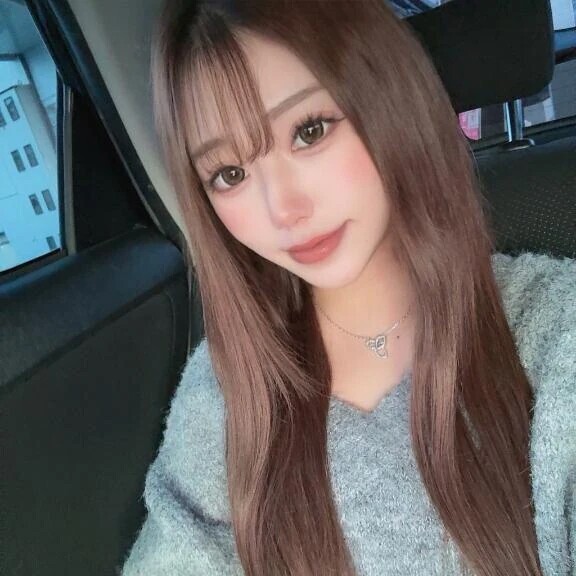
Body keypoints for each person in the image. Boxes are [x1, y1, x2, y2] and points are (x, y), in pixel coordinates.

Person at [121, 0, 576, 574]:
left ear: (389, 97)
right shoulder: (228, 391)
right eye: (230, 174)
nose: (283, 209)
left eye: (308, 131)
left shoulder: (553, 331)